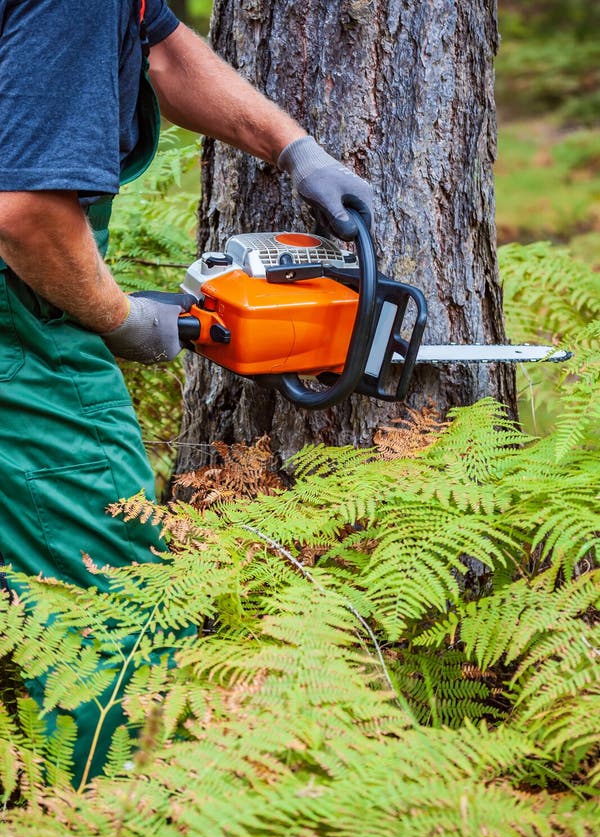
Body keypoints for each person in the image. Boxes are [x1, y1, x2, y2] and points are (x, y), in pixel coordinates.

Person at [0, 0, 373, 784]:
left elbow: (159, 48)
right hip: (21, 328)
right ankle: (117, 823)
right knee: (112, 599)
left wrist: (294, 148)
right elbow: (28, 214)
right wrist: (120, 317)